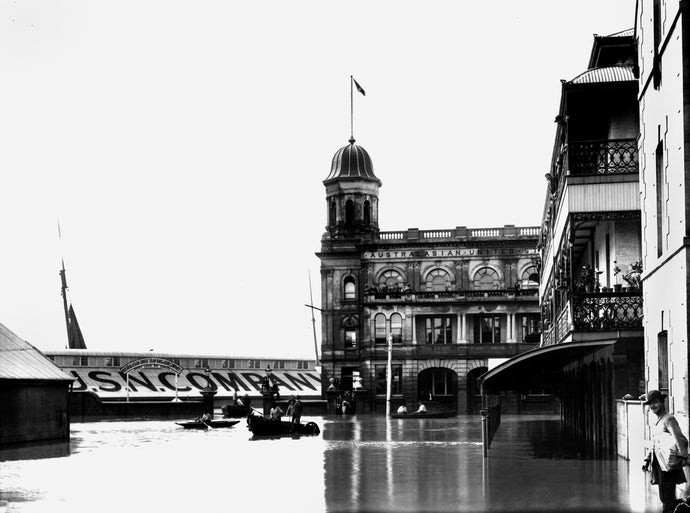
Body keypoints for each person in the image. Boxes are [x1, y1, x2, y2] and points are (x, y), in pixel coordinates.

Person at [642, 390, 688, 513]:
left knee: (667, 499)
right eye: (650, 404)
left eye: (655, 402)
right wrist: (647, 459)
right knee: (665, 497)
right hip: (659, 465)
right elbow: (655, 443)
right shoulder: (657, 420)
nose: (652, 406)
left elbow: (680, 439)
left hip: (668, 465)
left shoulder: (669, 419)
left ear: (662, 402)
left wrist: (683, 456)